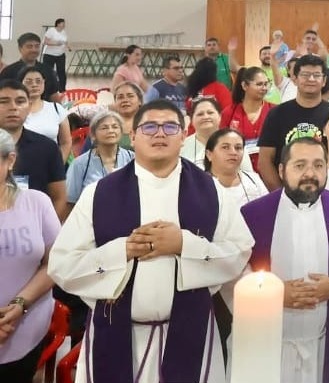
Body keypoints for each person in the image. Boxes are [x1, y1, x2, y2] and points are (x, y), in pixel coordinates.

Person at [48, 100, 254, 383]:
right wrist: (121, 251)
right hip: (118, 335)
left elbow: (239, 251)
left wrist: (184, 245)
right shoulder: (99, 193)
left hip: (190, 335)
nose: (160, 133)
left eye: (170, 126)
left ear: (183, 136)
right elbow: (61, 265)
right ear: (132, 136)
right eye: (150, 127)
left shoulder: (211, 190)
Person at [238, 136, 329, 383]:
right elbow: (233, 270)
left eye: (318, 165)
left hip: (324, 344)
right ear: (282, 170)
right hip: (269, 344)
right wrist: (273, 294)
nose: (310, 173)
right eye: (300, 165)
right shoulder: (252, 214)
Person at [0, 129, 58, 381]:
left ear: (9, 161)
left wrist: (20, 304)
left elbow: (55, 261)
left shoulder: (37, 202)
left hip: (26, 326)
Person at [260, 54, 329, 190]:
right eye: (305, 74)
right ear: (294, 79)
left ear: (324, 81)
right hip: (285, 192)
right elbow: (265, 162)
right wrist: (282, 196)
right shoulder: (277, 114)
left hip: (326, 192)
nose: (311, 79)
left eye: (316, 75)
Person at [0, 80, 67, 219]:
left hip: (33, 233)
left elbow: (59, 198)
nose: (13, 107)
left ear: (29, 106)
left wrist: (45, 232)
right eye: (4, 101)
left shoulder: (47, 148)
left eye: (20, 101)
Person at [67, 112, 134, 205]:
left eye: (115, 127)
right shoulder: (80, 164)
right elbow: (70, 202)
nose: (111, 131)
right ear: (93, 135)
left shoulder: (132, 158)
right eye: (104, 128)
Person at [204, 129, 267, 208]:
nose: (233, 152)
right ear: (209, 154)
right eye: (225, 147)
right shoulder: (199, 185)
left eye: (238, 148)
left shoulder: (253, 179)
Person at [20, 67, 71, 159]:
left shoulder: (56, 109)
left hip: (51, 164)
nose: (34, 85)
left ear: (44, 83)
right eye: (29, 81)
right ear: (20, 84)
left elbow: (66, 142)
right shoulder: (15, 111)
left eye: (38, 81)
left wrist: (58, 164)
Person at [0, 33, 59, 100]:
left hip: (44, 108)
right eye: (29, 46)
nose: (34, 50)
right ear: (20, 48)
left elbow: (54, 94)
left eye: (37, 46)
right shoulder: (8, 71)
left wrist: (59, 109)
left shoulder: (48, 70)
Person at [42, 19, 69, 92]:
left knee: (61, 72)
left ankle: (62, 89)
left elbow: (65, 41)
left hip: (60, 54)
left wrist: (68, 47)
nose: (64, 25)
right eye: (62, 23)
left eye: (64, 23)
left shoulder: (63, 32)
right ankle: (48, 88)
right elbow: (45, 41)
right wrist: (56, 43)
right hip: (49, 55)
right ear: (58, 24)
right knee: (48, 72)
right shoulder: (51, 31)